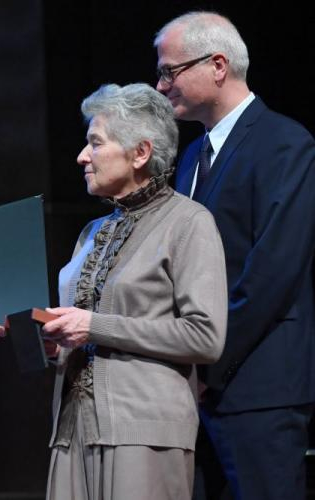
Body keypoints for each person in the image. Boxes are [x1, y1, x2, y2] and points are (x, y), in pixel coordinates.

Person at [154, 12, 315, 500]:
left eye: (169, 71)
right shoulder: (190, 157)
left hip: (259, 388)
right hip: (196, 392)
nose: (160, 86)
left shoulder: (284, 143)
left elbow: (272, 272)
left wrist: (207, 359)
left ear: (217, 65)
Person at [39, 83, 227, 500]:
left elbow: (205, 336)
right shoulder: (92, 232)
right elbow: (79, 332)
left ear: (140, 153)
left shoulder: (188, 222)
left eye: (95, 143)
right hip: (72, 430)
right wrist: (53, 342)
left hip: (144, 431)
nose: (82, 157)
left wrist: (94, 326)